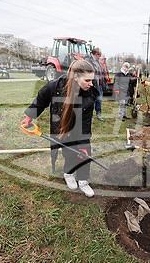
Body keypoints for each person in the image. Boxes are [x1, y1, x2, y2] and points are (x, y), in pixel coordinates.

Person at [20, 60, 99, 197]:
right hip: (62, 127)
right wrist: (29, 117)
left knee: (85, 153)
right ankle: (68, 173)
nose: (91, 84)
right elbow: (40, 100)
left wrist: (83, 143)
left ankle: (83, 180)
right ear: (75, 77)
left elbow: (86, 121)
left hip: (79, 125)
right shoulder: (55, 86)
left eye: (92, 80)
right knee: (69, 153)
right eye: (87, 80)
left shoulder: (89, 93)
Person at [85, 47, 108, 122]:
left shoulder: (98, 61)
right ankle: (89, 115)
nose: (100, 56)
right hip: (92, 84)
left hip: (99, 85)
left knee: (99, 100)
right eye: (99, 54)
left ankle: (98, 114)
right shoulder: (88, 60)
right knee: (91, 100)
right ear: (96, 54)